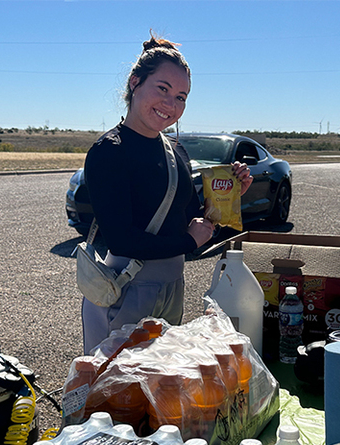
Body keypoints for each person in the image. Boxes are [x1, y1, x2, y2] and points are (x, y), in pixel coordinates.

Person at [81, 34, 253, 352]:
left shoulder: (175, 151)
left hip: (172, 287)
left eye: (181, 97)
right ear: (135, 83)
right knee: (114, 392)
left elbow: (195, 223)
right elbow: (122, 239)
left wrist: (230, 198)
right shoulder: (109, 151)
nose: (171, 104)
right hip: (124, 291)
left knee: (159, 389)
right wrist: (189, 242)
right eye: (163, 89)